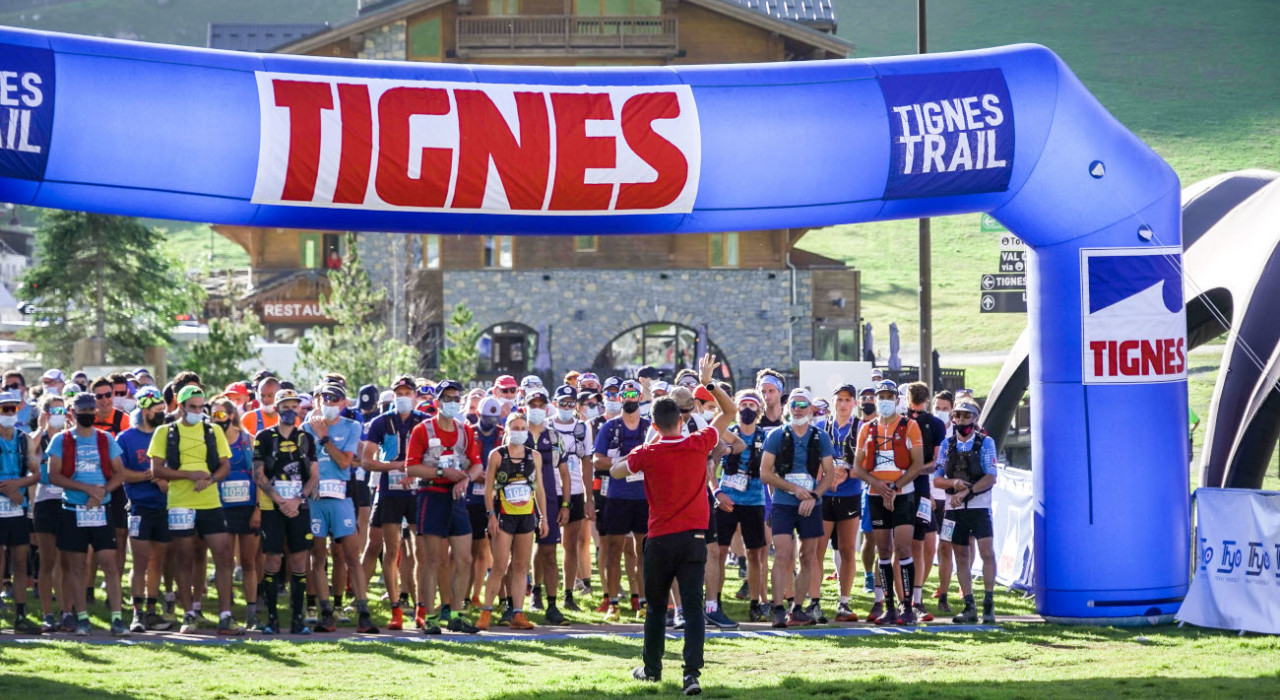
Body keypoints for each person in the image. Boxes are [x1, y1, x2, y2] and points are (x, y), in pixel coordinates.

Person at [619, 354, 733, 697]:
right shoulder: (698, 443)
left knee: (656, 607)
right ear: (681, 421)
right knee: (694, 607)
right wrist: (707, 382)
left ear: (654, 424)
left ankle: (652, 669)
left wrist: (647, 446)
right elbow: (729, 412)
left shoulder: (647, 451)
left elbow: (615, 471)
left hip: (660, 538)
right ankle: (691, 675)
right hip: (694, 537)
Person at [149, 385, 243, 635]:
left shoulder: (213, 431)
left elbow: (225, 466)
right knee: (184, 557)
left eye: (202, 407)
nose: (198, 412)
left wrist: (210, 480)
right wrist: (188, 475)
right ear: (180, 407)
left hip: (210, 501)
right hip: (180, 502)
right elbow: (156, 470)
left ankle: (225, 615)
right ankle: (188, 613)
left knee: (224, 556)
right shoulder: (164, 432)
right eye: (193, 407)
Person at [47, 392, 129, 636]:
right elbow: (54, 475)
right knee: (76, 567)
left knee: (110, 564)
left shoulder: (105, 439)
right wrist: (86, 489)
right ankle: (81, 617)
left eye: (90, 411)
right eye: (82, 412)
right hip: (73, 510)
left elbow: (119, 473)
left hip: (101, 509)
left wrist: (101, 491)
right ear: (72, 413)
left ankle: (117, 618)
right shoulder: (61, 440)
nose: (87, 415)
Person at [404, 379, 482, 635]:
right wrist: (441, 471)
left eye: (456, 398)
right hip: (431, 495)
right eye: (447, 398)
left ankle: (457, 614)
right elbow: (411, 467)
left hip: (457, 498)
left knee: (465, 558)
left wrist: (466, 479)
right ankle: (431, 617)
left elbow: (477, 463)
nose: (452, 402)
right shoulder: (422, 430)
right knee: (432, 560)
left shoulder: (465, 430)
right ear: (437, 401)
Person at [303, 384, 378, 634]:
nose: (329, 403)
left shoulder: (351, 426)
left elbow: (345, 460)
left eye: (334, 399)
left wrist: (324, 438)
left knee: (350, 557)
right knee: (318, 557)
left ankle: (363, 612)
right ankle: (325, 613)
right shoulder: (306, 427)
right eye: (325, 398)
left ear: (343, 403)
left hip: (341, 499)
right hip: (314, 500)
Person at [759, 388, 837, 628]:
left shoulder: (820, 436)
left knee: (807, 556)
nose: (797, 408)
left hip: (811, 504)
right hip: (783, 503)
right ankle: (779, 607)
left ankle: (798, 608)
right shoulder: (776, 435)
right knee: (782, 554)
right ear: (787, 407)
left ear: (811, 409)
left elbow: (829, 474)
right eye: (793, 404)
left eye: (803, 404)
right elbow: (765, 473)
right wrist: (794, 488)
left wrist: (813, 496)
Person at [851, 380, 925, 626]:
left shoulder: (910, 426)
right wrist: (878, 484)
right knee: (882, 550)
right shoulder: (866, 429)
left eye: (887, 396)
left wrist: (895, 486)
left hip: (903, 494)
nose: (882, 400)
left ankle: (908, 606)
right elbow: (857, 467)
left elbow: (917, 463)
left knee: (903, 549)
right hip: (875, 495)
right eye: (879, 396)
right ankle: (889, 606)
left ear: (897, 400)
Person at [361, 375, 426, 631]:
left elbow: (433, 458)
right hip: (389, 491)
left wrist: (415, 468)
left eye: (407, 393)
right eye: (398, 393)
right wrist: (396, 466)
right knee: (390, 551)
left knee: (421, 552)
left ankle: (422, 608)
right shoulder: (380, 422)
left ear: (415, 396)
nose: (403, 397)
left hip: (418, 492)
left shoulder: (424, 422)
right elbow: (366, 460)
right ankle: (396, 609)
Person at [252, 389, 318, 635]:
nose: (290, 410)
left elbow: (314, 476)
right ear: (277, 408)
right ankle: (272, 619)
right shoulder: (264, 437)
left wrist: (297, 499)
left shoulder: (305, 438)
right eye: (285, 406)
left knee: (300, 560)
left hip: (299, 506)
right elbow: (258, 474)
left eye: (294, 406)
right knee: (273, 559)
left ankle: (298, 618)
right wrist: (280, 501)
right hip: (273, 506)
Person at [476, 411, 547, 631]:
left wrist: (543, 517)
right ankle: (486, 611)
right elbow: (488, 489)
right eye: (515, 428)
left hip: (526, 515)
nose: (519, 432)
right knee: (499, 566)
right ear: (507, 430)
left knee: (520, 566)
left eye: (522, 428)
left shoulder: (534, 456)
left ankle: (518, 613)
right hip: (503, 515)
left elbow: (540, 489)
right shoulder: (497, 455)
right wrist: (490, 515)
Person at [933, 398, 998, 624]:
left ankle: (988, 603)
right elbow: (937, 479)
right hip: (954, 509)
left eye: (966, 415)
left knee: (986, 551)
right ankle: (969, 605)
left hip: (979, 507)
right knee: (960, 554)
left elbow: (991, 476)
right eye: (957, 416)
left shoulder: (985, 443)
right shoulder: (946, 445)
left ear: (975, 418)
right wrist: (954, 485)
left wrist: (966, 491)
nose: (961, 420)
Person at [592, 379, 651, 622]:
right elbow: (597, 460)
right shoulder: (609, 427)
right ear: (619, 399)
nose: (628, 398)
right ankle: (613, 602)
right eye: (624, 394)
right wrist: (627, 461)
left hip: (644, 497)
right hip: (617, 496)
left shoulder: (650, 427)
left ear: (640, 397)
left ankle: (645, 602)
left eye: (633, 394)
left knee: (644, 551)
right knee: (614, 549)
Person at [118, 391, 174, 633]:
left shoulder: (167, 435)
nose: (161, 413)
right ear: (144, 410)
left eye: (163, 409)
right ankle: (136, 613)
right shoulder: (126, 438)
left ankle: (151, 610)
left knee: (157, 561)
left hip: (164, 505)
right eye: (157, 409)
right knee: (139, 561)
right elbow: (119, 472)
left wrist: (166, 479)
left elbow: (175, 468)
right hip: (140, 506)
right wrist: (150, 476)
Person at [713, 390, 769, 623]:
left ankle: (755, 603)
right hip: (727, 500)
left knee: (755, 554)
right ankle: (714, 602)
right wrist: (717, 491)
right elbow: (710, 465)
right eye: (743, 404)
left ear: (759, 410)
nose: (747, 409)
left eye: (752, 405)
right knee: (719, 553)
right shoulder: (726, 435)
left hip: (754, 501)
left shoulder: (766, 437)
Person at [211, 398, 263, 631]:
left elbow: (260, 477)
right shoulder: (210, 441)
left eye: (221, 415)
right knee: (224, 561)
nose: (217, 420)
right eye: (213, 415)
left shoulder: (248, 441)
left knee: (248, 562)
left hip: (248, 507)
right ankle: (226, 612)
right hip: (221, 507)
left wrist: (258, 508)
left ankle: (252, 613)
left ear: (232, 416)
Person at [814, 383, 862, 623]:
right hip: (825, 495)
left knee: (847, 549)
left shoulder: (862, 428)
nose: (843, 404)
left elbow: (868, 466)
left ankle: (844, 602)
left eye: (847, 399)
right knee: (817, 550)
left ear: (854, 403)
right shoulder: (820, 427)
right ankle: (815, 601)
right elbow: (812, 463)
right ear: (832, 402)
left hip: (850, 494)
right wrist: (828, 475)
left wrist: (846, 473)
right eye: (839, 399)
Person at [525, 386, 570, 625]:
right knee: (516, 555)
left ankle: (552, 605)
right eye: (533, 405)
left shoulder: (554, 437)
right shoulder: (517, 432)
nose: (538, 409)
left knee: (549, 552)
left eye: (542, 405)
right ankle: (515, 603)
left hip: (550, 501)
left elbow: (564, 472)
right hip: (518, 501)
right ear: (525, 406)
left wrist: (566, 504)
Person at [905, 381, 947, 622]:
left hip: (918, 490)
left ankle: (914, 599)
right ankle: (903, 599)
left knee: (916, 545)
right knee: (904, 545)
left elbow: (938, 462)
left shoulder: (936, 424)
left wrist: (913, 471)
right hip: (907, 490)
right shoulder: (900, 421)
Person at [551, 385, 594, 613]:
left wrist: (589, 497)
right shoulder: (547, 426)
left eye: (570, 403)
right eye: (562, 402)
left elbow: (587, 461)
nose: (566, 407)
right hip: (550, 491)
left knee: (571, 545)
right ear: (555, 402)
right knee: (545, 546)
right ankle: (540, 593)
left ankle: (568, 594)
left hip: (576, 490)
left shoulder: (582, 428)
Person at [0, 391, 38, 632]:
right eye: (5, 409)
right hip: (5, 503)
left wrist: (18, 486)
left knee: (21, 562)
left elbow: (37, 474)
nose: (9, 413)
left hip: (18, 508)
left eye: (13, 409)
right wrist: (7, 489)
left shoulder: (25, 439)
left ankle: (21, 614)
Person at [31, 394, 68, 632]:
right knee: (47, 562)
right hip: (44, 502)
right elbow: (28, 454)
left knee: (68, 562)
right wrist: (41, 428)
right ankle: (47, 614)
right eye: (55, 411)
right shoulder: (37, 438)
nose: (59, 416)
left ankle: (67, 612)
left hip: (68, 502)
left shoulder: (69, 437)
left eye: (62, 411)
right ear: (45, 414)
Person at [466, 396, 503, 610]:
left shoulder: (502, 433)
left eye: (494, 417)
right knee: (468, 549)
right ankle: (463, 594)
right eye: (487, 417)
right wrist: (478, 474)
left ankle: (477, 595)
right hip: (471, 495)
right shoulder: (469, 431)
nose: (491, 421)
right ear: (479, 415)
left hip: (496, 496)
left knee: (485, 550)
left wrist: (490, 477)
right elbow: (463, 460)